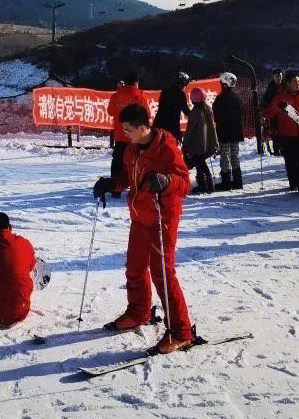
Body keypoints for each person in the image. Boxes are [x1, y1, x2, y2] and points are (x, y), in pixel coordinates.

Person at [92, 103, 195, 354]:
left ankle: (181, 331)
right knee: (135, 267)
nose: (124, 133)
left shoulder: (166, 148)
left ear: (143, 127)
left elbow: (184, 182)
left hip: (163, 217)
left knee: (163, 273)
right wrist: (112, 184)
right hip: (140, 216)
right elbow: (129, 177)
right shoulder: (132, 149)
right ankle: (139, 312)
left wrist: (167, 181)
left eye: (128, 129)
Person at [268, 73, 299, 195]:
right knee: (291, 160)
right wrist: (278, 108)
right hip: (287, 135)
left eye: (298, 81)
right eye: (294, 81)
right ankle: (293, 182)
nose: (298, 83)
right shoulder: (280, 98)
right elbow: (269, 113)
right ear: (287, 83)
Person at [106, 74, 150, 193]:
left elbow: (110, 112)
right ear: (136, 83)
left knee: (117, 161)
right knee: (135, 161)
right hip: (134, 136)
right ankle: (135, 185)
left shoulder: (116, 95)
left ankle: (114, 187)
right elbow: (148, 115)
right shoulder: (139, 96)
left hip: (119, 135)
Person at [181, 87, 218, 194]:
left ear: (192, 99)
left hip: (199, 146)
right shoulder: (208, 109)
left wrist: (185, 145)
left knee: (199, 162)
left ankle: (205, 185)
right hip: (211, 144)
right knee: (201, 162)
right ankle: (208, 184)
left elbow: (189, 131)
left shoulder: (195, 113)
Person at [212, 72, 244, 190]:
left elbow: (215, 115)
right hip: (236, 132)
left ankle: (226, 182)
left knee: (225, 157)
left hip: (225, 132)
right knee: (235, 156)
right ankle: (238, 181)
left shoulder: (220, 99)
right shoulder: (237, 97)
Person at [152, 71, 191, 141]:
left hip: (158, 124)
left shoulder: (165, 91)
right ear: (183, 84)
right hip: (172, 127)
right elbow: (186, 111)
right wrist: (195, 115)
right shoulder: (180, 94)